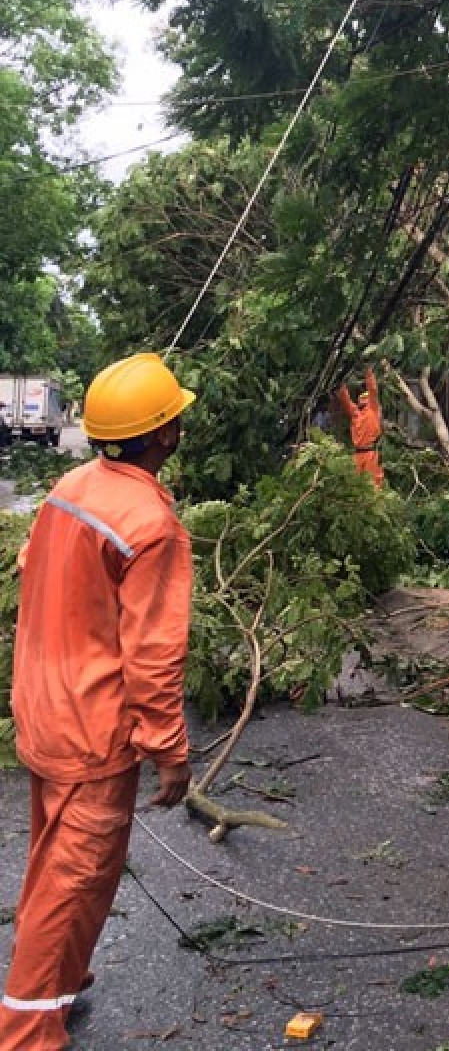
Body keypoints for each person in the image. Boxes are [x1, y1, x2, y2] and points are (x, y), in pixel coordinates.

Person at [0, 352, 195, 1050]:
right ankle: (26, 1034)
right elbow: (153, 654)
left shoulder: (72, 483)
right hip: (92, 731)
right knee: (74, 880)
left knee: (53, 862)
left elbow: (30, 565)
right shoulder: (151, 523)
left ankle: (58, 984)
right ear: (166, 433)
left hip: (43, 710)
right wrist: (170, 750)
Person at [337, 366, 384, 489]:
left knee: (372, 486)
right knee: (356, 487)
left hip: (369, 454)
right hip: (359, 454)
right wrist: (340, 384)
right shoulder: (356, 413)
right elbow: (345, 400)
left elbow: (372, 389)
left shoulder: (373, 409)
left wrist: (368, 371)